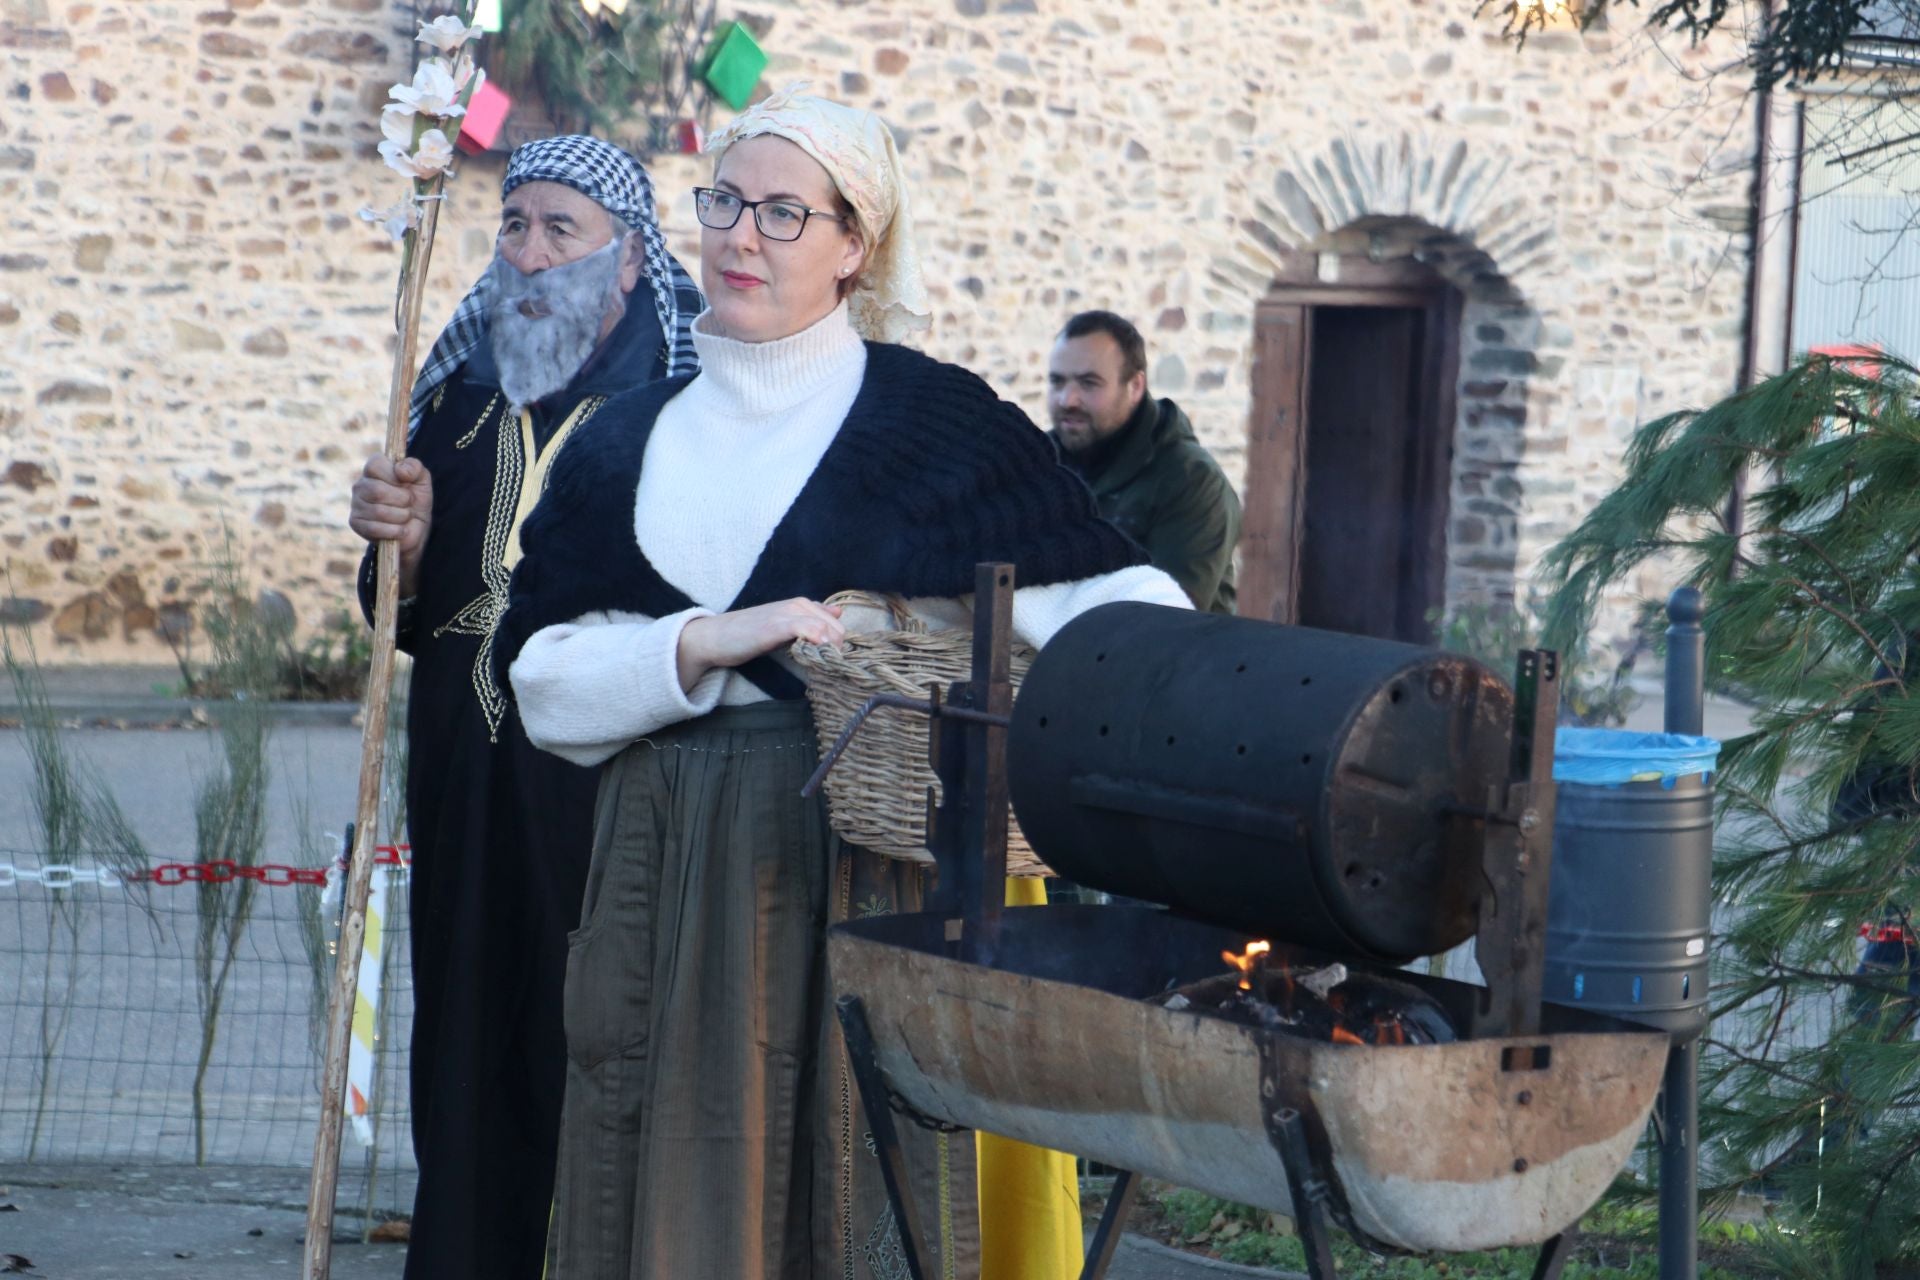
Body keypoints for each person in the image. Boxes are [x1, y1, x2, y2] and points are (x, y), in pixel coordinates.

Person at [495, 87, 1192, 1279]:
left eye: (782, 212)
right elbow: (544, 684)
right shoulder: (623, 436)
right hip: (666, 876)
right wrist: (704, 643)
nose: (741, 237)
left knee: (867, 1181)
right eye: (724, 203)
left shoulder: (935, 424)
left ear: (855, 243)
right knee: (672, 1184)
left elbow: (1123, 604)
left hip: (869, 876)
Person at [345, 136, 702, 1280]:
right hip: (465, 779)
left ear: (631, 259)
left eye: (563, 230)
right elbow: (398, 613)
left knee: (595, 1039)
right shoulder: (453, 396)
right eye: (515, 227)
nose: (533, 254)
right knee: (462, 1037)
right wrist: (391, 537)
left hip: (607, 798)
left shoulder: (684, 413)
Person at [1048, 310, 1242, 614]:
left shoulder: (1192, 481)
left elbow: (1166, 618)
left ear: (1135, 387)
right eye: (1057, 382)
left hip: (1164, 658)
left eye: (1088, 383)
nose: (1067, 400)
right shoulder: (1038, 465)